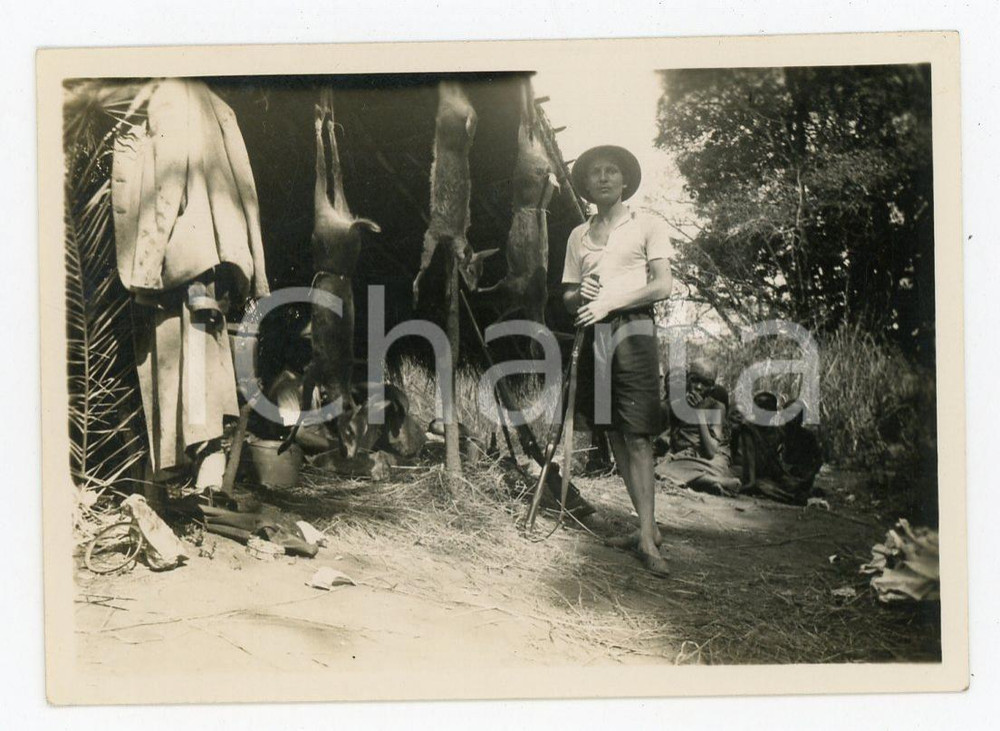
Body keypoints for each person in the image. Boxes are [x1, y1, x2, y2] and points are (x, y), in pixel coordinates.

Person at [562, 144, 674, 578]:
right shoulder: (578, 236)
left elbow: (662, 285)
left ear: (625, 180)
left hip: (634, 331)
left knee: (639, 434)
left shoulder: (645, 224)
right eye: (595, 173)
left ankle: (647, 536)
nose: (604, 178)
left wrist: (610, 301)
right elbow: (568, 296)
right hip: (596, 336)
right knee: (615, 435)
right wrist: (583, 294)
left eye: (612, 172)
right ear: (587, 184)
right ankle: (647, 529)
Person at [654, 358, 743, 496]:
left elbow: (710, 452)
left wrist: (699, 413)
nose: (699, 387)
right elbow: (673, 438)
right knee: (659, 468)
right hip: (687, 459)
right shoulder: (677, 405)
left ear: (713, 386)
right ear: (687, 379)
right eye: (695, 380)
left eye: (706, 383)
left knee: (662, 470)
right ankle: (712, 482)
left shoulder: (717, 407)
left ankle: (707, 480)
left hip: (712, 461)